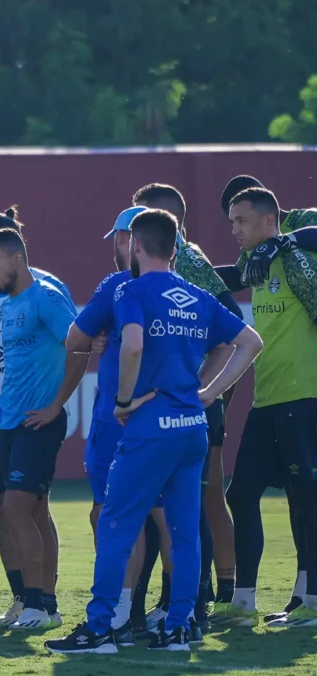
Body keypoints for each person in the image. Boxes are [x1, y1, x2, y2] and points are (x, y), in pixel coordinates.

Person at [46, 208, 262, 654]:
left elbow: (134, 343)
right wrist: (209, 392)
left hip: (149, 428)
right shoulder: (198, 296)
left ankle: (101, 628)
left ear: (138, 246)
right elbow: (249, 343)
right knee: (183, 531)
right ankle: (180, 627)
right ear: (177, 247)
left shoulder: (130, 289)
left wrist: (123, 400)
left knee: (116, 524)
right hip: (191, 428)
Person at [0, 211, 74, 628]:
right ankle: (34, 603)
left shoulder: (46, 293)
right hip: (1, 423)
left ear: (17, 256)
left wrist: (58, 403)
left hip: (37, 421)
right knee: (24, 512)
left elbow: (77, 345)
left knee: (20, 510)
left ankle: (42, 603)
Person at [131, 183, 240, 634]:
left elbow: (232, 333)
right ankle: (174, 604)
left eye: (139, 218)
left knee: (189, 507)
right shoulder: (155, 273)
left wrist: (207, 389)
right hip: (183, 402)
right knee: (171, 509)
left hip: (185, 405)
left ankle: (200, 602)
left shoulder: (187, 263)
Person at [208, 187, 317, 628]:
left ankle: (309, 600)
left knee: (306, 501)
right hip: (267, 397)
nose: (233, 229)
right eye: (231, 221)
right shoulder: (258, 264)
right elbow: (223, 280)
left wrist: (287, 242)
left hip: (303, 397)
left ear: (269, 219)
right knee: (241, 493)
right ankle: (244, 601)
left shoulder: (296, 257)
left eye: (241, 220)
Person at [63, 206, 145, 646]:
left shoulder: (116, 285)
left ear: (126, 239)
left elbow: (74, 339)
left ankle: (114, 614)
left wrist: (101, 338)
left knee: (112, 517)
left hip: (118, 416)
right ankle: (167, 616)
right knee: (172, 522)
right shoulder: (182, 289)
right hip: (170, 417)